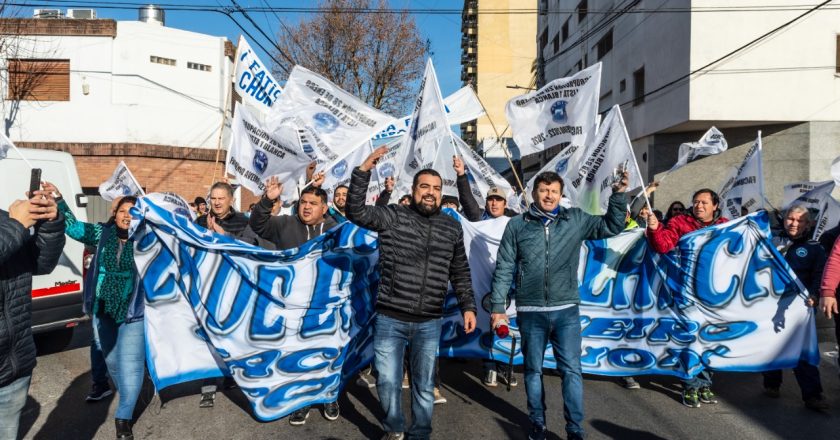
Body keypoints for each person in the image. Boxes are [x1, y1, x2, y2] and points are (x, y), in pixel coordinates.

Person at [347, 146, 477, 440]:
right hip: (390, 319)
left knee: (423, 383)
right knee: (389, 382)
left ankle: (420, 433)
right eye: (424, 187)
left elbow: (459, 270)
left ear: (441, 193)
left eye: (435, 188)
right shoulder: (393, 216)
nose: (430, 192)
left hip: (430, 321)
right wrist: (364, 169)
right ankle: (394, 427)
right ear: (414, 189)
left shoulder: (451, 227)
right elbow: (355, 211)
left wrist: (469, 306)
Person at [490, 170, 627, 440]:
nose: (549, 195)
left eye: (554, 191)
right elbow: (504, 267)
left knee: (572, 371)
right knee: (532, 371)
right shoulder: (517, 225)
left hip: (566, 311)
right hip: (530, 312)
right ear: (534, 193)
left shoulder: (574, 219)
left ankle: (574, 430)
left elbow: (612, 226)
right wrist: (497, 307)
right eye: (543, 190)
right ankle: (538, 424)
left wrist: (619, 194)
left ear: (561, 194)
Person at [49, 182, 145, 440]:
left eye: (133, 212)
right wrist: (59, 199)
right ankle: (127, 394)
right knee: (112, 361)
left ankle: (123, 418)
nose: (127, 215)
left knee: (133, 366)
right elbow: (73, 227)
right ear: (115, 214)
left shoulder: (148, 240)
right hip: (102, 309)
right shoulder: (101, 234)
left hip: (134, 311)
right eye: (123, 211)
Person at [249, 177, 339, 425]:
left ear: (324, 208)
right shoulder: (285, 224)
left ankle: (329, 396)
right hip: (292, 307)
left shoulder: (334, 230)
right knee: (297, 357)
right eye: (303, 202)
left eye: (313, 203)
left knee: (326, 354)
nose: (306, 207)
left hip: (325, 306)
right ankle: (302, 402)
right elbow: (258, 224)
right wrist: (267, 200)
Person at [643, 188, 728, 408]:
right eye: (696, 202)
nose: (699, 206)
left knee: (709, 340)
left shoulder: (726, 225)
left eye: (704, 203)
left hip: (715, 296)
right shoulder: (681, 222)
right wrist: (654, 229)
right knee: (690, 339)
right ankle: (690, 385)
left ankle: (705, 383)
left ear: (715, 206)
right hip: (686, 292)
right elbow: (663, 245)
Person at [0, 187, 65, 440]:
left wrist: (50, 224)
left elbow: (41, 264)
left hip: (14, 366)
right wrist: (16, 225)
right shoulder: (11, 222)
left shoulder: (5, 219)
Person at [452, 155, 517, 388]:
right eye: (491, 200)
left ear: (505, 203)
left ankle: (505, 366)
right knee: (483, 322)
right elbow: (468, 201)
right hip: (481, 281)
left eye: (498, 200)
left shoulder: (515, 223)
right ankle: (489, 366)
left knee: (506, 325)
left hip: (507, 284)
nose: (494, 203)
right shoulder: (478, 220)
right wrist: (461, 175)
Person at [764, 205, 829, 410]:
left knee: (803, 350)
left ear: (808, 224)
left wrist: (815, 295)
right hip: (768, 305)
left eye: (800, 220)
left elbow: (820, 275)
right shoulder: (770, 241)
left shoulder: (814, 248)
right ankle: (772, 383)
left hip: (799, 307)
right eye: (791, 219)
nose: (794, 223)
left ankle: (813, 395)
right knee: (771, 346)